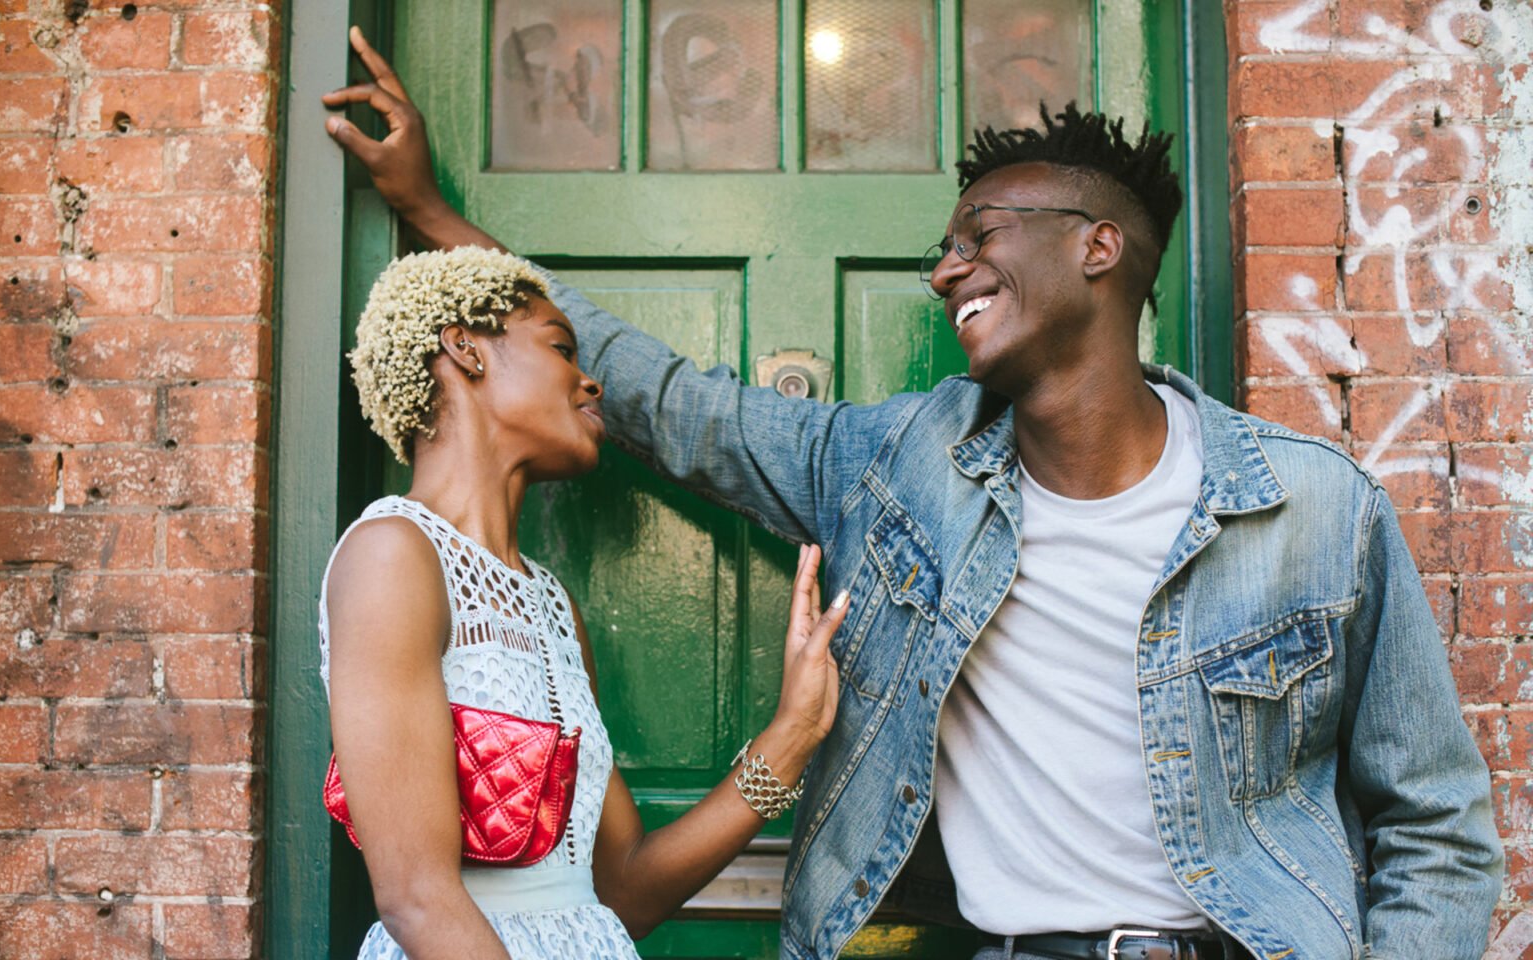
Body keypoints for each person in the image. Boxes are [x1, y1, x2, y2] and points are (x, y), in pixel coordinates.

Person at [323, 27, 1503, 960]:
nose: (945, 267)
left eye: (978, 234)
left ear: (1099, 249)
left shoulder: (1313, 508)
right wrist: (437, 226)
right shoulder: (897, 468)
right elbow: (668, 400)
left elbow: (1433, 824)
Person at [320, 242, 848, 960]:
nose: (591, 382)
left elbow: (623, 889)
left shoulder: (551, 607)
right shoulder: (393, 553)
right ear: (465, 349)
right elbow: (417, 897)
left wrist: (792, 738)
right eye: (562, 348)